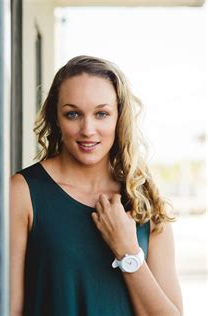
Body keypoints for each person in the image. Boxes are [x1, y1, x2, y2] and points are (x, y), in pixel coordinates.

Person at [10, 55, 183, 315]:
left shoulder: (143, 201)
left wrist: (128, 252)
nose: (87, 129)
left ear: (119, 117)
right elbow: (10, 309)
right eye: (73, 114)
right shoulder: (23, 193)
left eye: (101, 114)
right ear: (56, 118)